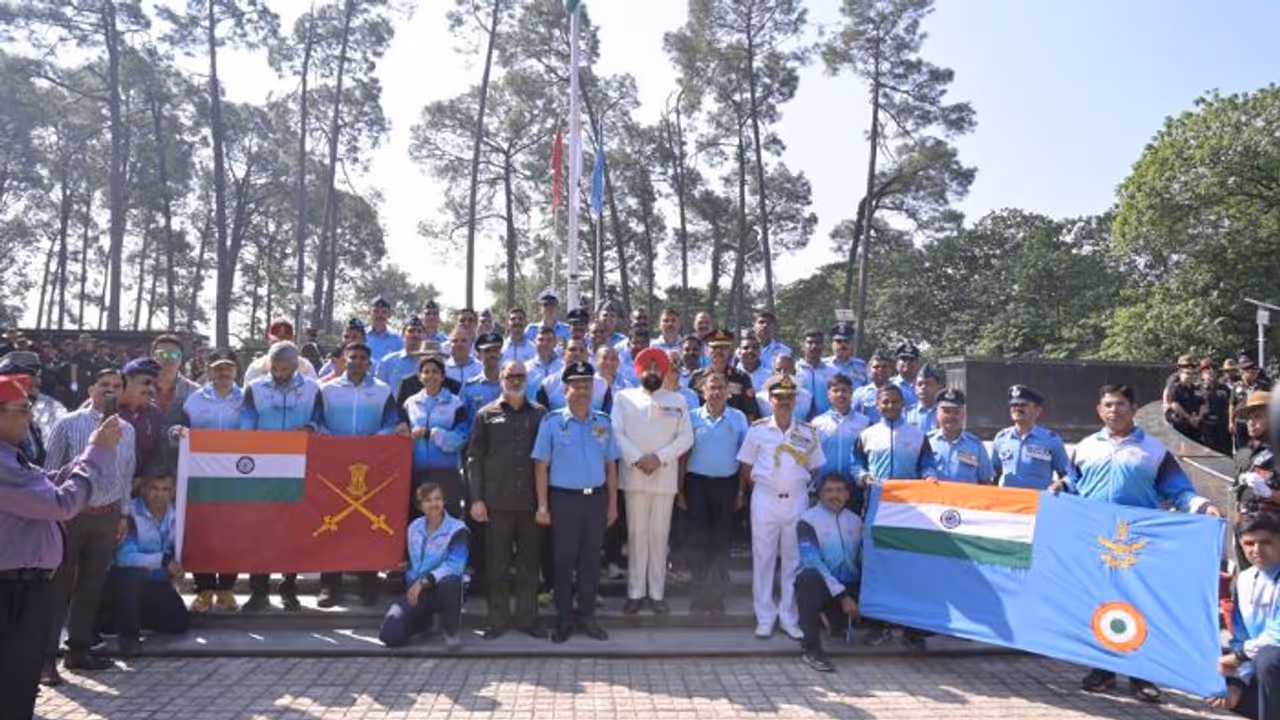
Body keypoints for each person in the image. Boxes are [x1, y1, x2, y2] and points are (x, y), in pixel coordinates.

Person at [1059, 383, 1222, 703]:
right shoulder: (1085, 447)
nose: (1113, 410)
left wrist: (1203, 506)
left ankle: (1142, 675)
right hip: (1095, 543)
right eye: (1107, 404)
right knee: (1099, 604)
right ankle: (1102, 670)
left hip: (1138, 544)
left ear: (1133, 409)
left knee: (1138, 606)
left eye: (1120, 405)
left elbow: (1179, 491)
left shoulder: (1154, 451)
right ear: (1099, 409)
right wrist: (1058, 487)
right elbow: (1072, 483)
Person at [0, 374, 121, 713]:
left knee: (18, 680)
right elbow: (61, 504)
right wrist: (96, 454)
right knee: (13, 684)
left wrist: (88, 455)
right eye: (22, 409)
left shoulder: (11, 456)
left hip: (21, 586)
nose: (30, 416)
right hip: (12, 590)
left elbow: (45, 486)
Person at [41, 368, 137, 684]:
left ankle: (79, 649)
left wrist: (123, 513)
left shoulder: (127, 429)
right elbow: (51, 471)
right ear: (91, 388)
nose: (110, 391)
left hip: (107, 515)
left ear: (123, 391)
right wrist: (55, 514)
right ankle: (45, 659)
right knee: (59, 587)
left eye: (116, 386)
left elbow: (126, 474)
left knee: (92, 584)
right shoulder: (68, 424)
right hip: (71, 515)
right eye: (104, 385)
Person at [532, 361, 620, 643]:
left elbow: (611, 467)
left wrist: (613, 504)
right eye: (576, 384)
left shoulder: (603, 423)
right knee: (563, 562)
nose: (582, 390)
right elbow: (541, 467)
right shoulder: (552, 423)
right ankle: (564, 620)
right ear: (565, 388)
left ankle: (587, 617)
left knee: (591, 563)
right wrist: (543, 506)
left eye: (587, 384)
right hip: (563, 501)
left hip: (594, 501)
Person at [318, 342, 410, 607]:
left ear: (370, 363)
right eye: (352, 356)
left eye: (362, 358)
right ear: (344, 360)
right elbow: (318, 421)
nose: (357, 361)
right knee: (333, 523)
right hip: (334, 467)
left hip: (371, 467)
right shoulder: (327, 390)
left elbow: (391, 423)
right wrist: (333, 440)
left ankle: (368, 584)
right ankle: (329, 585)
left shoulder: (382, 391)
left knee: (366, 526)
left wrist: (371, 441)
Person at [737, 375, 826, 641]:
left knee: (793, 561)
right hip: (764, 499)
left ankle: (789, 616)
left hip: (797, 500)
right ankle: (765, 617)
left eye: (789, 398)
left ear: (795, 401)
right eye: (779, 398)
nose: (784, 402)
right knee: (763, 559)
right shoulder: (757, 430)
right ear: (771, 401)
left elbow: (816, 465)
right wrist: (750, 491)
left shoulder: (808, 433)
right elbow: (746, 466)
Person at [239, 341, 324, 612]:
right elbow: (246, 423)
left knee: (293, 529)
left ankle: (289, 588)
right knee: (260, 530)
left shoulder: (312, 389)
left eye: (285, 368)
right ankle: (259, 590)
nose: (279, 373)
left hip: (299, 466)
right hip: (264, 467)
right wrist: (254, 443)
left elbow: (321, 421)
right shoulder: (255, 388)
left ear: (296, 365)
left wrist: (310, 428)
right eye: (275, 368)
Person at [467, 361, 547, 640]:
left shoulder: (540, 414)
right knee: (496, 566)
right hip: (496, 504)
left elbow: (547, 460)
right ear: (501, 379)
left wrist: (545, 503)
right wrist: (476, 499)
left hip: (530, 504)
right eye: (510, 376)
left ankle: (528, 619)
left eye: (520, 376)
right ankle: (497, 620)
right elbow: (474, 460)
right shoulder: (485, 415)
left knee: (529, 565)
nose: (515, 380)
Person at [612, 348, 694, 616]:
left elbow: (686, 438)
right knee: (637, 537)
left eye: (657, 368)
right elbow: (616, 433)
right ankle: (635, 593)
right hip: (635, 476)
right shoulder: (624, 398)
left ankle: (656, 594)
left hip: (664, 477)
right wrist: (638, 459)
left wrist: (659, 458)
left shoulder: (677, 400)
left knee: (659, 538)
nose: (652, 372)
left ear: (664, 371)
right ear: (639, 371)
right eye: (647, 368)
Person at [169, 350, 243, 612]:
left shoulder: (246, 399)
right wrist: (178, 433)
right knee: (202, 531)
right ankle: (204, 589)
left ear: (236, 370)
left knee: (233, 533)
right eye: (217, 368)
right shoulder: (194, 399)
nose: (223, 373)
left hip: (236, 478)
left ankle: (226, 588)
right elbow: (179, 428)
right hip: (201, 476)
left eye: (228, 368)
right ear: (209, 370)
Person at [681, 372, 748, 615]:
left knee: (721, 543)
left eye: (721, 387)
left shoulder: (738, 418)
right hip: (696, 485)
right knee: (698, 543)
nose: (717, 392)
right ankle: (698, 598)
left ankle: (717, 598)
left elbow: (744, 458)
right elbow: (683, 457)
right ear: (703, 391)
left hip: (727, 485)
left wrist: (741, 491)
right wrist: (680, 491)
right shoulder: (691, 418)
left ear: (728, 391)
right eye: (712, 387)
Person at [104, 471, 189, 656]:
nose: (160, 494)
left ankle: (125, 618)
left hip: (156, 582)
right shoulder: (130, 514)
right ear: (143, 489)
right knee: (131, 574)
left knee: (178, 622)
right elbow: (124, 558)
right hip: (125, 583)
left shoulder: (178, 515)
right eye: (154, 489)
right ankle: (129, 638)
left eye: (166, 489)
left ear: (173, 492)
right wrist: (163, 560)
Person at [378, 482, 469, 649]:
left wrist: (423, 582)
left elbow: (455, 566)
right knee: (389, 635)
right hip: (416, 591)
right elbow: (410, 558)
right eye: (428, 500)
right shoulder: (413, 527)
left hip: (443, 589)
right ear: (420, 505)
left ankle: (451, 631)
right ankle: (425, 623)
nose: (434, 504)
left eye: (438, 499)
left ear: (444, 501)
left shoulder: (458, 529)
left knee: (451, 581)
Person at [1213, 512, 1280, 719]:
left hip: (1271, 661)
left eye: (1265, 542)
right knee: (1219, 681)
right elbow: (1241, 638)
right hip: (1261, 662)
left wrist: (1238, 657)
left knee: (1269, 658)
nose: (1257, 549)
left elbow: (1277, 635)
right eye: (1249, 543)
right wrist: (1237, 683)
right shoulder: (1244, 579)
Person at [795, 473, 862, 673]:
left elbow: (862, 560)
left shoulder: (856, 521)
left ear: (848, 494)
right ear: (819, 495)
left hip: (849, 586)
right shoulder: (807, 520)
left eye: (840, 490)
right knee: (808, 578)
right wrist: (842, 596)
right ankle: (811, 650)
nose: (835, 495)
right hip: (823, 586)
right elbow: (811, 561)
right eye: (829, 491)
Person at [403, 355, 470, 518]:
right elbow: (402, 432)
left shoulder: (457, 404)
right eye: (426, 372)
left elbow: (460, 440)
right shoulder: (410, 403)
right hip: (418, 473)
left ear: (442, 376)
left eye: (435, 372)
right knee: (419, 519)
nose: (430, 375)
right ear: (419, 377)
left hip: (447, 473)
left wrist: (431, 433)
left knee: (448, 519)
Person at [852, 385, 938, 486]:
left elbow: (927, 464)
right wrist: (863, 476)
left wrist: (929, 476)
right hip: (877, 495)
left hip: (908, 496)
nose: (890, 406)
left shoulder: (918, 435)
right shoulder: (866, 435)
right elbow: (856, 464)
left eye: (895, 402)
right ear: (878, 406)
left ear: (903, 404)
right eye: (885, 402)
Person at [992, 385, 1069, 490]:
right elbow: (994, 474)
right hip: (1007, 502)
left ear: (1037, 411)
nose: (1017, 408)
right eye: (1013, 405)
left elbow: (1066, 475)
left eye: (1023, 405)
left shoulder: (1051, 440)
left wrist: (1059, 486)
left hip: (1038, 503)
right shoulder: (1001, 438)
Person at [0, 350, 66, 466]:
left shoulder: (33, 425)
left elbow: (37, 467)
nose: (34, 394)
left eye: (37, 387)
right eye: (28, 386)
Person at [810, 374, 870, 497]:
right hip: (824, 486)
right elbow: (812, 456)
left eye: (844, 390)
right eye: (835, 390)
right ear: (828, 395)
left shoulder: (864, 422)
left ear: (851, 393)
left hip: (854, 486)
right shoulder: (817, 423)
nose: (840, 394)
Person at [927, 388, 995, 484]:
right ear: (937, 413)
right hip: (934, 498)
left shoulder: (975, 446)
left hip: (966, 499)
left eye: (956, 412)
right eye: (946, 411)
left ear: (963, 414)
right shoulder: (927, 442)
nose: (951, 416)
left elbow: (986, 481)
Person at [691, 329, 759, 421]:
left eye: (723, 347)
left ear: (730, 350)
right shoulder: (697, 378)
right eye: (714, 347)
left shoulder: (741, 377)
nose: (719, 351)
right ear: (707, 351)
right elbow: (691, 407)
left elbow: (750, 411)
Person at [118, 357, 167, 475]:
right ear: (126, 381)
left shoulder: (154, 413)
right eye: (146, 383)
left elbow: (157, 454)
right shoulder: (101, 408)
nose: (151, 389)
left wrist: (145, 478)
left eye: (154, 384)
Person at [242, 319, 319, 385]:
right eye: (277, 342)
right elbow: (247, 395)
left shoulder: (305, 366)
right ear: (269, 341)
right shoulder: (257, 367)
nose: (281, 347)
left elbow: (313, 392)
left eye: (285, 341)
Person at [375, 315, 428, 400]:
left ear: (424, 336)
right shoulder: (388, 362)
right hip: (394, 411)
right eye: (411, 331)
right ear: (403, 335)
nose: (415, 335)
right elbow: (377, 391)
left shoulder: (430, 363)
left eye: (419, 331)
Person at [151, 334, 200, 422]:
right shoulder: (138, 388)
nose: (168, 358)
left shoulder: (195, 391)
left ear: (181, 358)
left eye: (174, 354)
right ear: (153, 357)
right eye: (162, 354)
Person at [536, 337, 591, 411]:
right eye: (572, 349)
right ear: (563, 354)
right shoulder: (548, 385)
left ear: (587, 355)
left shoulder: (601, 386)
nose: (577, 353)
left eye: (582, 350)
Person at [796, 329, 836, 420]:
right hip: (800, 422)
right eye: (810, 342)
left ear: (823, 346)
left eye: (818, 343)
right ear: (802, 345)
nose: (814, 346)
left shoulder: (833, 372)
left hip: (825, 422)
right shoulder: (794, 370)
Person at [463, 332, 505, 418]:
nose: (492, 354)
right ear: (479, 355)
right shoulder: (469, 387)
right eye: (487, 351)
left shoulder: (510, 383)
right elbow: (463, 420)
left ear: (500, 354)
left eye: (495, 350)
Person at [1235, 359, 1275, 450]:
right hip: (1240, 422)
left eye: (1257, 417)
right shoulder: (1237, 386)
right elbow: (1232, 404)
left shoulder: (1264, 386)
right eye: (1249, 418)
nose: (1251, 422)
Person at [1165, 355, 1205, 442]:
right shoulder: (1175, 385)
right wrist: (1189, 417)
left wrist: (1199, 417)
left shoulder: (1196, 388)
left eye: (1192, 373)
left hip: (1196, 423)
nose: (1190, 376)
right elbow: (1174, 403)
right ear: (1180, 373)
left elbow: (1203, 403)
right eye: (1187, 373)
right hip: (1182, 422)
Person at [1201, 359, 1234, 455]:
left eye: (1213, 371)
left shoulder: (1225, 389)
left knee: (1226, 453)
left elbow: (1231, 405)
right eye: (1207, 371)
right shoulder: (1198, 389)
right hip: (1206, 426)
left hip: (1222, 425)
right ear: (1202, 374)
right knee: (1209, 454)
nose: (1211, 372)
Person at [851, 351, 895, 423]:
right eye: (876, 367)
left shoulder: (899, 392)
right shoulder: (860, 394)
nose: (880, 370)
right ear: (869, 370)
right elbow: (853, 418)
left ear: (890, 370)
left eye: (884, 366)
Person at [525, 327, 565, 403]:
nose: (545, 344)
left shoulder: (564, 368)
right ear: (534, 342)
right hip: (533, 413)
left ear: (555, 342)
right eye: (541, 340)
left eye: (549, 340)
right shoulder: (526, 368)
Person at [824, 323, 867, 387]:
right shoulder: (823, 365)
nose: (843, 344)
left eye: (846, 341)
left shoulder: (861, 366)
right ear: (832, 344)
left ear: (852, 344)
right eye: (839, 341)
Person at [905, 364, 944, 433]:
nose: (923, 387)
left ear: (938, 387)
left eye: (928, 384)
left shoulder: (944, 412)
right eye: (920, 384)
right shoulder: (907, 413)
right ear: (915, 389)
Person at [366, 295, 404, 362]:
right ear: (369, 313)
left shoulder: (397, 340)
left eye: (384, 312)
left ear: (389, 315)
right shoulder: (362, 337)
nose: (380, 315)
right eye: (376, 311)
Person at [737, 333, 772, 405]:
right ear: (739, 352)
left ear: (760, 351)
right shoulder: (733, 375)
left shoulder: (769, 377)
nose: (750, 351)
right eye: (746, 348)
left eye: (755, 348)